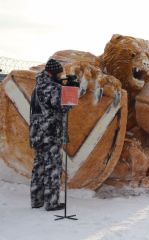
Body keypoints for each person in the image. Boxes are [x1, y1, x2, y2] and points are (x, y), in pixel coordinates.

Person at [29, 59, 71, 211]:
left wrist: (62, 88)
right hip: (51, 134)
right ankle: (52, 202)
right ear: (53, 72)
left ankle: (36, 200)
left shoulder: (37, 87)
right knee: (53, 167)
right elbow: (64, 107)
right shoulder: (52, 87)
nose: (61, 76)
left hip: (37, 134)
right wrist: (72, 90)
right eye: (60, 73)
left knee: (39, 167)